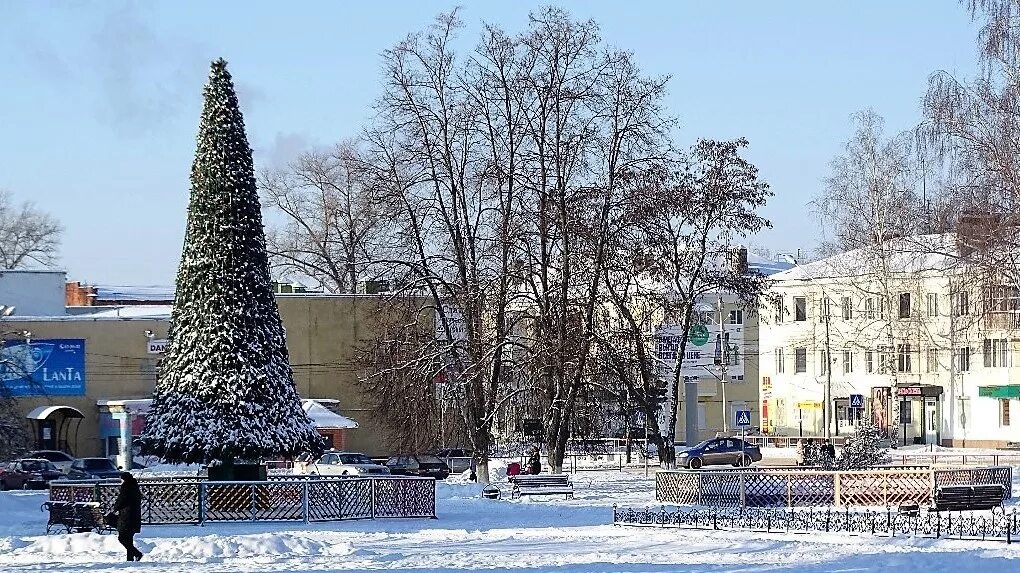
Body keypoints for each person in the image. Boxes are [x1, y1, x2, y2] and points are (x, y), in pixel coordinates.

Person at [113, 471, 143, 561]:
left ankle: (137, 553)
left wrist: (115, 508)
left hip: (126, 517)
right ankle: (130, 558)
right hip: (135, 516)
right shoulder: (135, 487)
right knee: (129, 538)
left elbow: (121, 500)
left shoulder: (126, 488)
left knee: (122, 537)